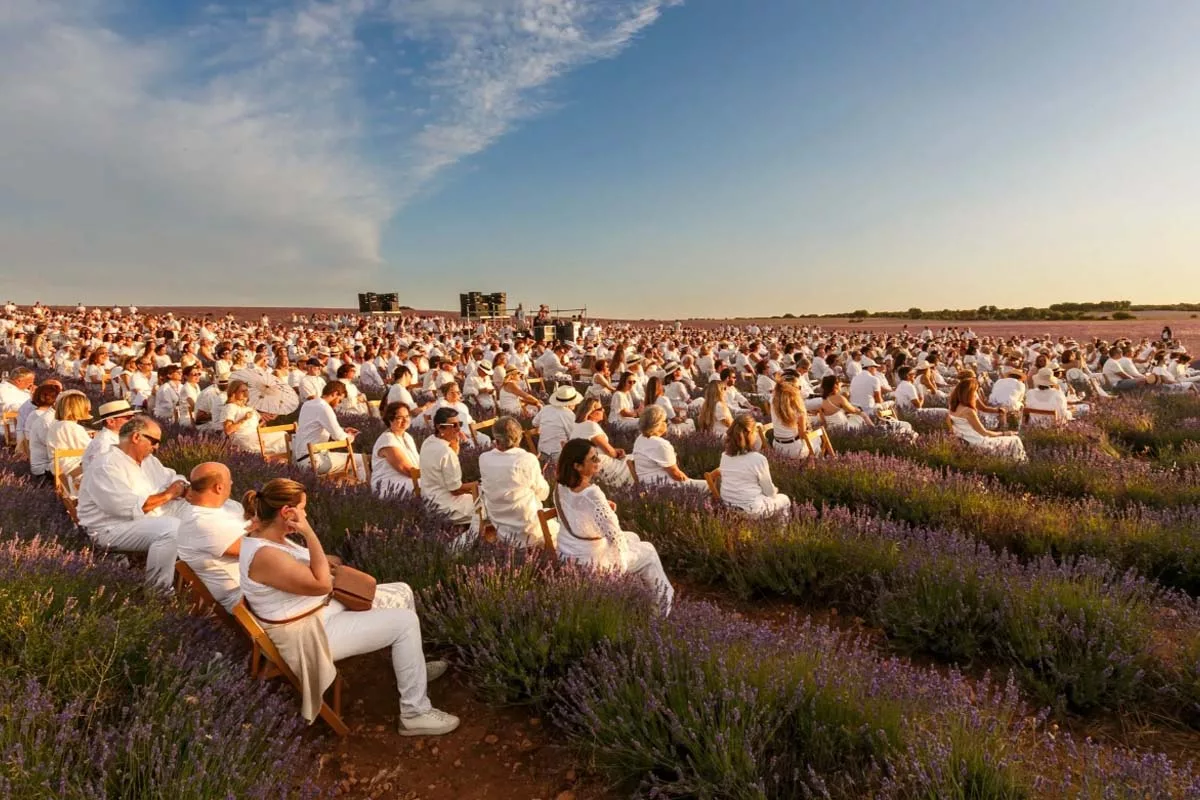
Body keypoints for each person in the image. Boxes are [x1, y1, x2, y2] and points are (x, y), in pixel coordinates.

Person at [239, 478, 459, 735]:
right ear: (287, 512)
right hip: (309, 634)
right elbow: (322, 584)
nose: (306, 515)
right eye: (303, 509)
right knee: (405, 623)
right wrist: (309, 533)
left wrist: (323, 561)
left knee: (402, 591)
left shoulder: (273, 537)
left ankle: (413, 668)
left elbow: (316, 565)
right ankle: (414, 713)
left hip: (319, 610)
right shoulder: (266, 555)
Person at [554, 438, 673, 614]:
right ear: (577, 466)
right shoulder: (592, 493)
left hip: (567, 552)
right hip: (590, 561)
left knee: (633, 537)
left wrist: (601, 509)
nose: (598, 461)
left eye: (597, 456)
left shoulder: (560, 486)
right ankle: (662, 606)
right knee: (648, 551)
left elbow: (575, 511)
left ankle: (641, 593)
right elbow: (614, 535)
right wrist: (621, 564)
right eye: (593, 459)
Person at [76, 416, 188, 588]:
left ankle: (207, 582)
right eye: (154, 442)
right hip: (111, 528)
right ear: (136, 437)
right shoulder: (107, 465)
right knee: (170, 529)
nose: (156, 447)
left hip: (146, 518)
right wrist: (168, 494)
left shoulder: (148, 461)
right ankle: (159, 591)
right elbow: (126, 508)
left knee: (202, 513)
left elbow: (172, 477)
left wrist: (182, 486)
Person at [175, 462, 248, 612]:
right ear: (219, 487)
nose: (232, 483)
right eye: (230, 480)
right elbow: (258, 550)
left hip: (263, 585)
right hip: (245, 597)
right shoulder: (201, 522)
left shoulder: (228, 506)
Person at [478, 416, 557, 547]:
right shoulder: (527, 459)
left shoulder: (484, 458)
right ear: (519, 437)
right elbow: (544, 494)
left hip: (501, 529)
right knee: (561, 527)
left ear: (495, 439)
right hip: (528, 528)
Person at [718, 414, 790, 517]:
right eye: (755, 432)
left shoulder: (724, 456)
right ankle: (781, 528)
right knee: (784, 499)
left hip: (728, 505)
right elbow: (769, 492)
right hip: (752, 510)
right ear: (750, 434)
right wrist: (775, 491)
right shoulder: (758, 459)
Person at [418, 407, 479, 526]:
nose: (458, 429)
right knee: (494, 505)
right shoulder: (446, 452)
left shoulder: (428, 442)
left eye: (459, 424)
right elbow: (455, 489)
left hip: (430, 502)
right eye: (454, 425)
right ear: (440, 427)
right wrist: (478, 485)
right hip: (447, 507)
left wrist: (454, 451)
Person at [946, 375, 1027, 460]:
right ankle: (1020, 463)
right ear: (969, 393)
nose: (976, 394)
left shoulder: (952, 408)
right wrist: (1004, 433)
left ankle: (1010, 461)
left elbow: (949, 423)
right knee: (1015, 440)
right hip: (979, 443)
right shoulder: (968, 411)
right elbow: (984, 433)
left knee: (1009, 440)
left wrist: (956, 436)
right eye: (975, 391)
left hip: (969, 442)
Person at [292, 381, 365, 475]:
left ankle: (342, 484)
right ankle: (360, 484)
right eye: (340, 400)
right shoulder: (324, 407)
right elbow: (339, 437)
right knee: (363, 460)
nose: (338, 404)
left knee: (349, 461)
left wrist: (344, 430)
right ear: (335, 394)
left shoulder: (307, 404)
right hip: (314, 460)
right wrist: (351, 437)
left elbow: (315, 427)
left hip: (300, 460)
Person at [631, 406, 707, 491]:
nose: (667, 424)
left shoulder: (639, 439)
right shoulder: (661, 444)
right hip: (666, 487)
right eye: (665, 421)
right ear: (657, 424)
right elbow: (676, 475)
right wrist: (689, 482)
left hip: (647, 486)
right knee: (709, 485)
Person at [571, 397, 633, 487]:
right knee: (635, 459)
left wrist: (615, 450)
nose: (603, 410)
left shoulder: (577, 425)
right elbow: (609, 452)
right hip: (601, 465)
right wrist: (617, 454)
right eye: (600, 409)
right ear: (591, 413)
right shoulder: (591, 426)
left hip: (589, 464)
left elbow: (597, 447)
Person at [223, 379, 286, 455]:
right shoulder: (230, 407)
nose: (246, 393)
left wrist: (275, 412)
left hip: (255, 435)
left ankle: (282, 457)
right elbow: (228, 430)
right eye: (242, 391)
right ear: (234, 393)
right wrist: (244, 419)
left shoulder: (249, 408)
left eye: (246, 390)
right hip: (243, 438)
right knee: (281, 437)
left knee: (283, 434)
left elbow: (260, 423)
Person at [371, 402, 420, 498]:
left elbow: (417, 462)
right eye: (399, 418)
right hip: (390, 485)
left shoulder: (407, 436)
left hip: (408, 479)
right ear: (390, 420)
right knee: (432, 487)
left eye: (407, 416)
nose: (405, 420)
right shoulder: (387, 439)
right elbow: (407, 470)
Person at [45, 391, 93, 482]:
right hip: (71, 468)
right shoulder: (72, 427)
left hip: (58, 466)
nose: (89, 409)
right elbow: (92, 448)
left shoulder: (57, 425)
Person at [82, 399, 137, 472]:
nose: (133, 420)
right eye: (128, 417)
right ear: (111, 421)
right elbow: (103, 471)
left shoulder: (115, 438)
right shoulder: (104, 443)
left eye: (133, 416)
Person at [531, 385, 581, 460]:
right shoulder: (569, 414)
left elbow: (534, 423)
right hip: (559, 454)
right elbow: (573, 435)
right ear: (569, 403)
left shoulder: (546, 408)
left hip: (541, 452)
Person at [24, 382, 62, 478]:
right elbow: (53, 444)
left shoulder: (41, 414)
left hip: (47, 460)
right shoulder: (42, 417)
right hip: (45, 465)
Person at [769, 371, 810, 459]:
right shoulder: (798, 406)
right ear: (793, 389)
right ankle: (812, 463)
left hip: (777, 447)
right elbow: (802, 435)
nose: (800, 389)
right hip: (794, 450)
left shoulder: (772, 400)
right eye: (799, 387)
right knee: (817, 440)